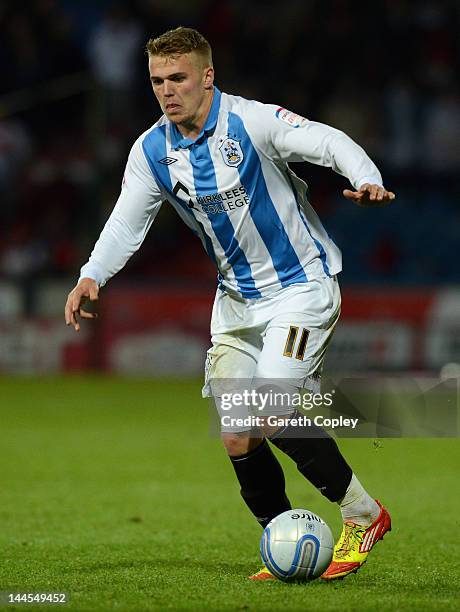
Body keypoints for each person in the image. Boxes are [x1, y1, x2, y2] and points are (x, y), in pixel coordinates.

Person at [65, 27, 394, 581]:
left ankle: (363, 513)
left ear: (207, 76)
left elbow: (328, 141)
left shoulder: (252, 121)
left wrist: (366, 177)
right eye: (157, 81)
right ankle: (288, 543)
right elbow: (127, 219)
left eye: (179, 78)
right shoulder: (152, 151)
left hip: (300, 289)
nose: (168, 92)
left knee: (267, 410)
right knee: (238, 432)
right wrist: (91, 273)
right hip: (236, 304)